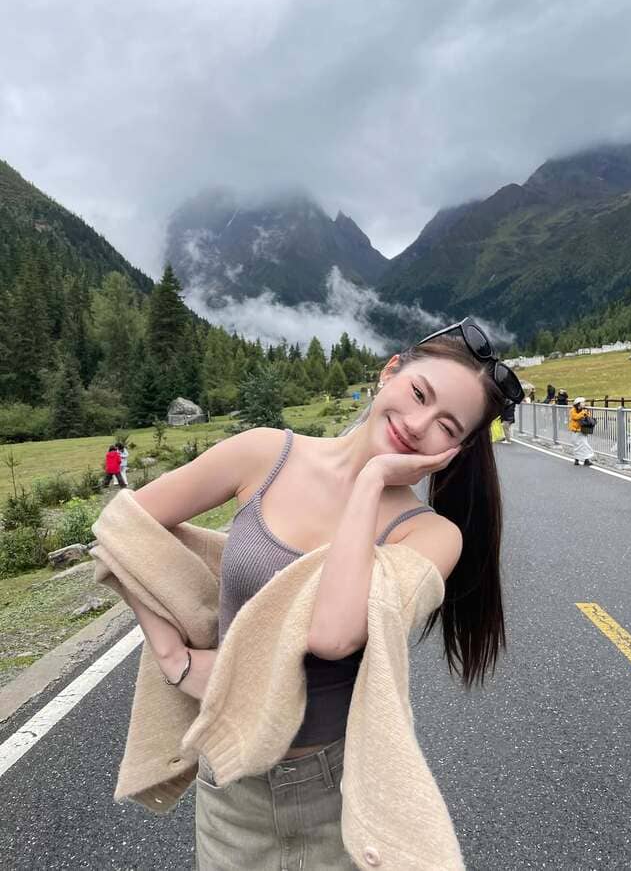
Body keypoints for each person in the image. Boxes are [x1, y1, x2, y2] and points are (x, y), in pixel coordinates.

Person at [106, 315, 523, 870]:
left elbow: (333, 633)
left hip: (335, 793)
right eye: (419, 394)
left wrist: (371, 480)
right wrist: (173, 659)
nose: (418, 423)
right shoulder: (264, 453)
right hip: (228, 781)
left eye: (447, 427)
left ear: (458, 450)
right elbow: (124, 526)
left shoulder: (430, 536)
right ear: (390, 372)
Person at [569, 396, 594, 466]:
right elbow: (575, 417)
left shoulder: (585, 410)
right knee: (577, 445)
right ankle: (577, 459)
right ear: (578, 403)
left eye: (584, 402)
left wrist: (585, 413)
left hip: (583, 430)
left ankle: (586, 460)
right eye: (582, 402)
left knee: (584, 444)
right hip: (575, 430)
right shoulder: (573, 410)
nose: (584, 404)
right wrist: (583, 413)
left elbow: (587, 417)